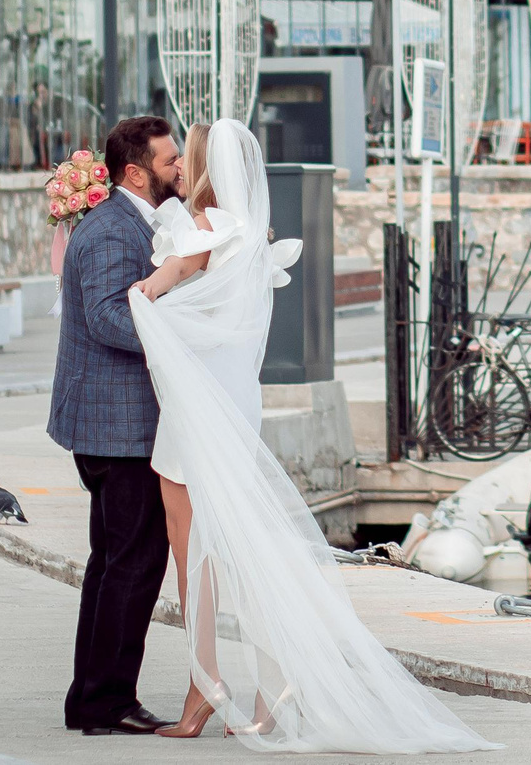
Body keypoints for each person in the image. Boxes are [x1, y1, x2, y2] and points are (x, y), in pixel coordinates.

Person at [128, 117, 492, 753]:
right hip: (237, 401)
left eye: (186, 161)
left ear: (208, 169)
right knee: (235, 543)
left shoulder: (207, 230)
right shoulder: (252, 236)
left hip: (197, 407)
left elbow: (153, 291)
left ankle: (205, 684)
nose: (179, 171)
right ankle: (271, 681)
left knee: (194, 550)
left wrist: (136, 294)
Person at [48, 114, 184, 736]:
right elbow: (106, 318)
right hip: (117, 427)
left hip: (113, 423)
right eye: (170, 160)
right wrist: (182, 341)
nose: (180, 168)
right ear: (137, 171)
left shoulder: (130, 222)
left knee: (113, 563)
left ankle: (92, 698)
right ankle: (106, 702)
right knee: (132, 564)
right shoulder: (111, 232)